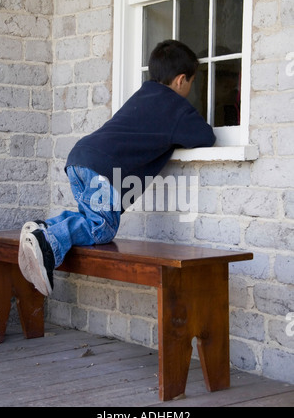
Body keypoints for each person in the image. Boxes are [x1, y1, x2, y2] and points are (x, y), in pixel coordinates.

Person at [18, 39, 216, 297]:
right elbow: (205, 136)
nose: (190, 89)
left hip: (80, 157)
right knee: (102, 228)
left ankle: (43, 228)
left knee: (91, 219)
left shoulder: (143, 94)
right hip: (104, 170)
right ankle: (47, 243)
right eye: (191, 83)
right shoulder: (177, 109)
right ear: (181, 80)